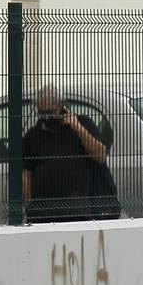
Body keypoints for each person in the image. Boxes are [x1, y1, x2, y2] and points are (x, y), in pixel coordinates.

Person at [23, 84, 119, 223]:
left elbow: (100, 155)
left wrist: (78, 128)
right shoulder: (32, 136)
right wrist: (29, 205)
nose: (47, 118)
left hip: (79, 209)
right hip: (43, 212)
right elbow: (26, 174)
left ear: (63, 108)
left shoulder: (83, 124)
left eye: (51, 112)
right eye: (42, 113)